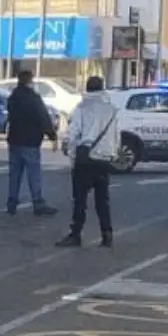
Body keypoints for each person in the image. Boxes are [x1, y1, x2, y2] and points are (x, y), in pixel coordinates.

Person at [57, 75, 119, 249]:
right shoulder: (111, 110)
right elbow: (115, 135)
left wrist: (72, 157)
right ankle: (107, 235)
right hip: (103, 159)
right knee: (102, 200)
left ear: (87, 88)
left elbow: (73, 134)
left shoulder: (82, 108)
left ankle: (76, 234)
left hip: (85, 159)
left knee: (80, 199)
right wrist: (112, 154)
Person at [4, 69, 58, 217]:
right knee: (33, 174)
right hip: (31, 142)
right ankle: (38, 203)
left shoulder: (12, 98)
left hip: (14, 140)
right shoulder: (34, 98)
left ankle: (11, 203)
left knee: (14, 174)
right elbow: (43, 118)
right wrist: (52, 135)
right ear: (30, 81)